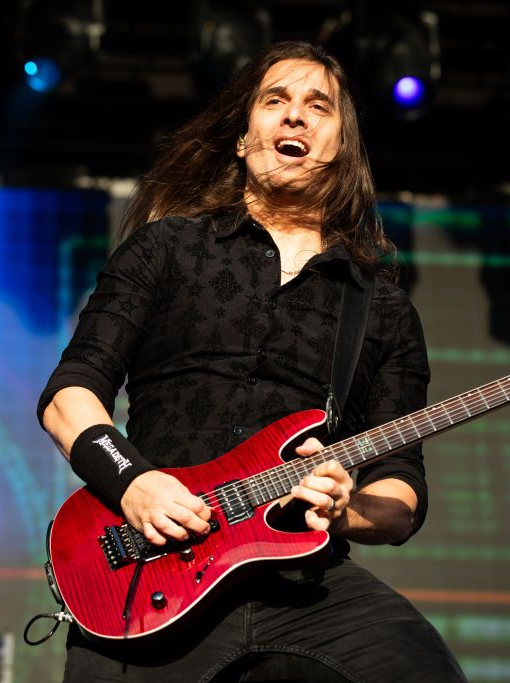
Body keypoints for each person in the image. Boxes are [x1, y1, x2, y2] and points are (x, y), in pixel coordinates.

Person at [37, 41, 466, 682]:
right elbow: (70, 394)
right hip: (154, 573)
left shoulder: (382, 309)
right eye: (276, 101)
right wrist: (133, 482)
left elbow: (401, 489)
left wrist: (344, 509)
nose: (295, 116)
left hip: (304, 584)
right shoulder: (167, 248)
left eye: (318, 106)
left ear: (342, 148)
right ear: (244, 139)